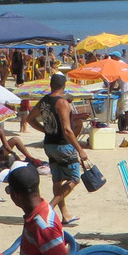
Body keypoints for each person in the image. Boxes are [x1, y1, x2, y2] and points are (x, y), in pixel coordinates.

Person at [29, 73, 89, 226]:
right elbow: (67, 130)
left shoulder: (44, 101)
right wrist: (80, 149)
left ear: (51, 85)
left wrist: (45, 130)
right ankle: (48, 208)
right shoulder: (62, 103)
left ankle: (66, 216)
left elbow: (29, 119)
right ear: (64, 86)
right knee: (74, 179)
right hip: (63, 145)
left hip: (49, 145)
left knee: (57, 180)